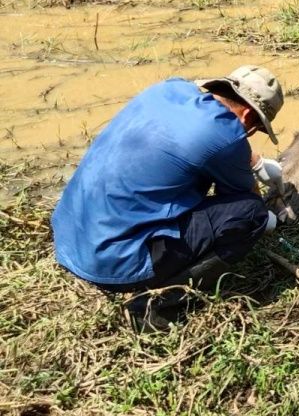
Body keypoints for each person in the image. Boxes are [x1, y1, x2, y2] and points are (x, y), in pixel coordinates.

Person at [51, 65, 286, 330]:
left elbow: (193, 141)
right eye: (255, 129)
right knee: (251, 214)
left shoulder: (168, 88)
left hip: (69, 240)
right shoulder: (229, 138)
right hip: (113, 265)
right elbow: (242, 197)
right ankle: (157, 307)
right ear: (247, 118)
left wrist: (253, 162)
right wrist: (265, 211)